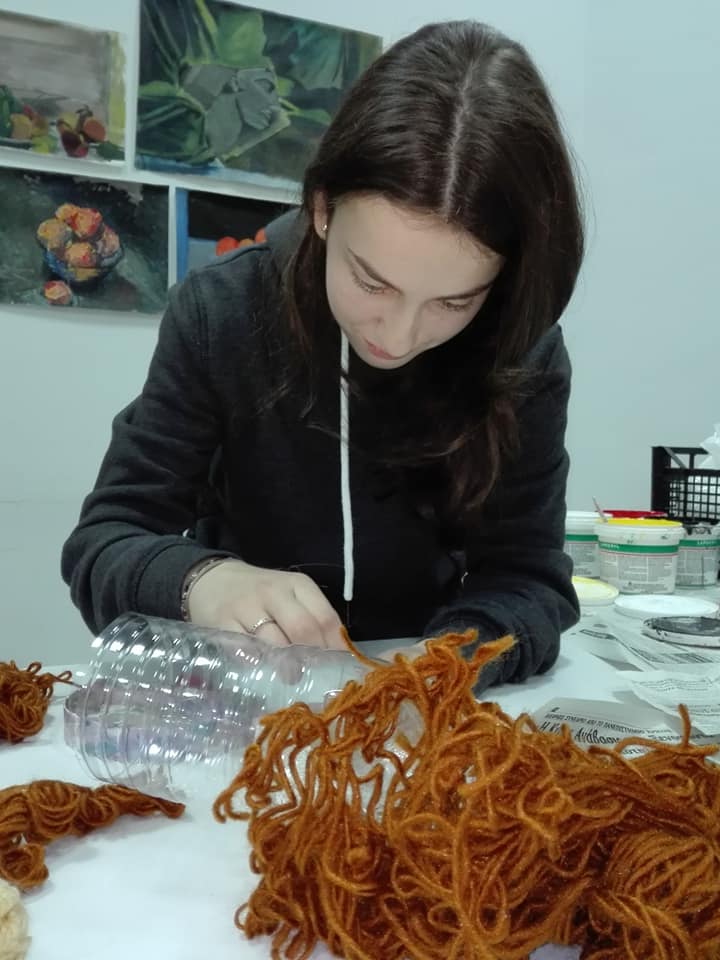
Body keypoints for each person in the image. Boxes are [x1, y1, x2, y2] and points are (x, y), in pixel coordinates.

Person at [62, 20, 584, 692]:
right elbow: (105, 540)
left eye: (454, 302)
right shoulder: (223, 313)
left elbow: (529, 579)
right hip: (239, 697)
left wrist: (443, 663)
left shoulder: (521, 349)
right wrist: (203, 582)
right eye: (372, 282)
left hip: (423, 702)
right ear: (322, 208)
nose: (399, 337)